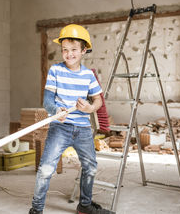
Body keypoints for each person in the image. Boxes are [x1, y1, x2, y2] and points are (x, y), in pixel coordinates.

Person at [29, 24, 115, 214]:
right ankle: (36, 209)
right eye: (65, 50)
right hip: (60, 127)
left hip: (83, 129)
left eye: (74, 50)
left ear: (84, 50)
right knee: (45, 169)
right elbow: (47, 100)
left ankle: (84, 206)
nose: (69, 54)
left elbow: (98, 100)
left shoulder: (88, 75)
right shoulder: (55, 71)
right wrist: (55, 110)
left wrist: (90, 107)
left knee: (90, 166)